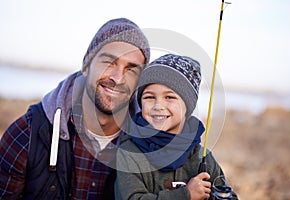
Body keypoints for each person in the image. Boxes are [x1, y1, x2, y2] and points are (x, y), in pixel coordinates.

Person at [0, 18, 150, 199]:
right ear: (87, 64)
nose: (118, 78)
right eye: (109, 62)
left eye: (131, 69)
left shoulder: (149, 148)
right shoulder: (28, 134)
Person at [115, 54, 238, 200]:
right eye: (149, 97)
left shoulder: (201, 156)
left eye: (169, 97)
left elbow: (229, 195)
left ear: (188, 106)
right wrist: (185, 195)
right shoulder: (129, 152)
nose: (158, 106)